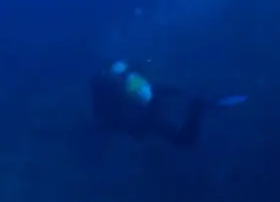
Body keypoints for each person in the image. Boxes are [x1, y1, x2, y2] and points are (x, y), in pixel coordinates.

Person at [89, 60, 245, 148]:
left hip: (144, 116)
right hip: (147, 101)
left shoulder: (105, 104)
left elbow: (118, 122)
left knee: (185, 140)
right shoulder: (119, 81)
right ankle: (198, 98)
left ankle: (197, 103)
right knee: (165, 94)